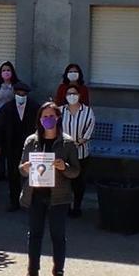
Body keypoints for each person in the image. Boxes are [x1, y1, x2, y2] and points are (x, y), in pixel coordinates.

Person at [19, 101, 80, 276]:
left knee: (58, 236)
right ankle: (32, 272)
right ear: (39, 119)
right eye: (44, 116)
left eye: (51, 116)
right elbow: (21, 168)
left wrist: (65, 167)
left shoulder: (68, 143)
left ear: (58, 118)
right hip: (36, 194)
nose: (48, 120)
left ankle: (58, 274)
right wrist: (26, 168)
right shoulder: (31, 141)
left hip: (58, 197)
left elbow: (76, 172)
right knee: (34, 234)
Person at [0, 81, 37, 212]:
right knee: (13, 174)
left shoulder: (34, 107)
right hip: (11, 145)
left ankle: (31, 200)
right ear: (15, 94)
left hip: (31, 146)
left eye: (23, 94)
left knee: (32, 174)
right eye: (19, 94)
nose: (21, 96)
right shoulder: (7, 108)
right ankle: (14, 201)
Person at [59, 84, 96, 218]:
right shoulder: (60, 110)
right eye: (69, 93)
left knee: (79, 182)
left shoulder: (87, 111)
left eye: (74, 93)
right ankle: (66, 206)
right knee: (65, 181)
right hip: (64, 153)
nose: (72, 96)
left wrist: (81, 140)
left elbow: (90, 128)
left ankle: (77, 206)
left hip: (81, 152)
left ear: (79, 95)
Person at [0, 61, 19, 180]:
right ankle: (0, 173)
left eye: (8, 70)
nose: (6, 72)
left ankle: (12, 172)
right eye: (4, 70)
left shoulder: (16, 85)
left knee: (11, 147)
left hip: (12, 119)